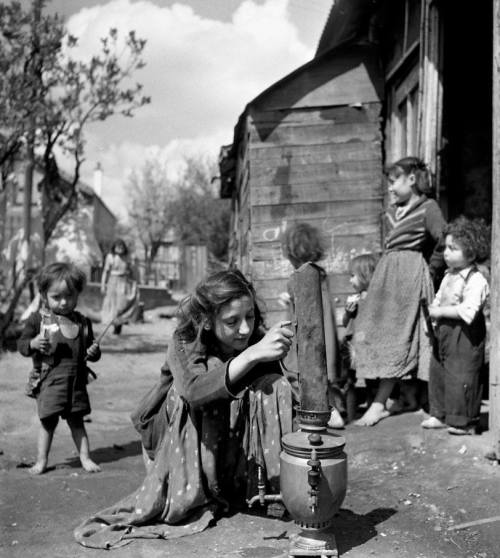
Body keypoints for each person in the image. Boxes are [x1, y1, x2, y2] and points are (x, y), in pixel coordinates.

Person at [74, 269, 294, 549]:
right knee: (193, 391)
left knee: (273, 385)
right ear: (206, 320)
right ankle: (188, 493)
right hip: (172, 444)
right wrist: (251, 355)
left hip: (224, 448)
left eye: (249, 317)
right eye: (232, 321)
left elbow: (277, 397)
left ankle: (267, 488)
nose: (244, 329)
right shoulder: (184, 339)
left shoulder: (253, 338)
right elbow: (194, 392)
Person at [353, 156, 446, 426]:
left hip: (410, 277)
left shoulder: (429, 208)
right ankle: (404, 398)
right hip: (387, 277)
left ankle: (380, 403)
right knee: (373, 332)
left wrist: (431, 269)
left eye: (394, 182)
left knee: (406, 336)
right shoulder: (392, 212)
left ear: (412, 180)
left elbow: (443, 237)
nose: (391, 188)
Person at [17, 262, 101, 475]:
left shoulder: (82, 322)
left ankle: (85, 458)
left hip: (76, 383)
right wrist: (33, 344)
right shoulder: (38, 320)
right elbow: (22, 345)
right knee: (47, 423)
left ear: (77, 295)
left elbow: (91, 350)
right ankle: (41, 461)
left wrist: (94, 352)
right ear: (44, 295)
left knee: (77, 423)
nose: (64, 302)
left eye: (70, 296)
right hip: (51, 382)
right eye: (57, 297)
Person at [421, 216, 490, 435]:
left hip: (465, 335)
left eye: (453, 248)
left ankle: (464, 421)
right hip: (444, 333)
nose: (447, 252)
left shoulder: (476, 279)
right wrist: (432, 319)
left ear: (471, 251)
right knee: (440, 372)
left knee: (462, 375)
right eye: (446, 248)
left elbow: (468, 310)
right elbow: (439, 299)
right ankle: (440, 414)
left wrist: (440, 312)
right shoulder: (449, 275)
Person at [279, 221, 344, 429]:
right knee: (324, 372)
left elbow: (301, 308)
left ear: (292, 252)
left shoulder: (299, 276)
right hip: (322, 331)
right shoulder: (319, 273)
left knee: (301, 370)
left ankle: (324, 411)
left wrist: (288, 299)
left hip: (307, 334)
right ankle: (331, 407)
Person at [340, 253, 378, 422]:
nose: (350, 280)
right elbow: (344, 322)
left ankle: (372, 408)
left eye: (353, 276)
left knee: (372, 380)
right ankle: (350, 415)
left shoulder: (375, 298)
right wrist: (348, 313)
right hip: (351, 345)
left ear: (366, 276)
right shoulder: (353, 298)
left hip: (368, 345)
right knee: (350, 381)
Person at [100, 238, 139, 335]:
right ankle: (114, 326)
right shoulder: (110, 257)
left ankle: (119, 325)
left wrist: (135, 282)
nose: (120, 249)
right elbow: (105, 272)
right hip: (113, 282)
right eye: (118, 247)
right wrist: (103, 285)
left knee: (122, 305)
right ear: (114, 247)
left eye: (122, 247)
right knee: (112, 305)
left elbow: (133, 271)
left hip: (124, 283)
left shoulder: (127, 258)